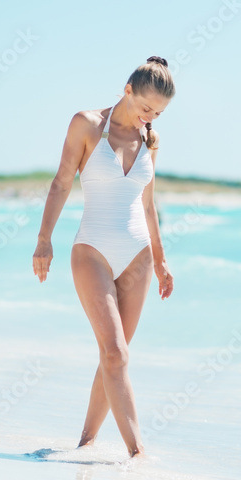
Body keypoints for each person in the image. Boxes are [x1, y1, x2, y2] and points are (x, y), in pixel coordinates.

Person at [32, 55, 175, 457]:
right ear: (127, 90)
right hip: (91, 250)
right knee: (116, 352)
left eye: (159, 113)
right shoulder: (87, 125)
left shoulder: (151, 139)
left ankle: (85, 444)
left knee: (115, 357)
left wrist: (161, 260)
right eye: (146, 107)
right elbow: (62, 181)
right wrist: (44, 238)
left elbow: (148, 205)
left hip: (139, 256)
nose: (151, 117)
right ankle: (138, 453)